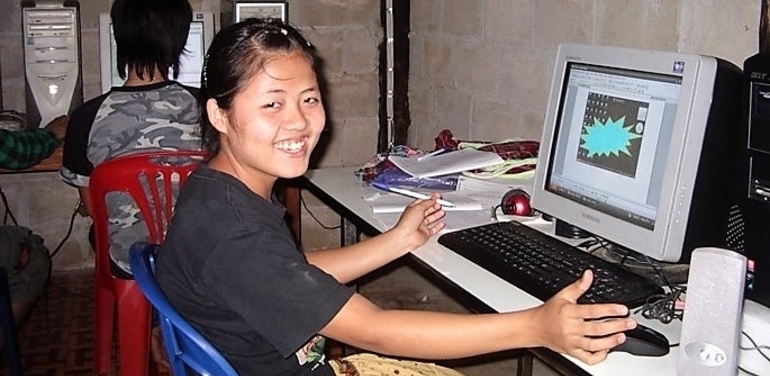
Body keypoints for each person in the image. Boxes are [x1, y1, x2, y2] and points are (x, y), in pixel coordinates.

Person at [156, 19, 636, 376]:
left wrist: (397, 240)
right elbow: (376, 329)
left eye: (309, 98)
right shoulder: (233, 230)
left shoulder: (218, 195)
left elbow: (291, 275)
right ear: (219, 114)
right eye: (272, 103)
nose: (299, 121)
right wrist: (535, 327)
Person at [59, 0, 201, 367]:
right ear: (179, 39)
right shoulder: (208, 109)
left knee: (116, 235)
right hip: (196, 255)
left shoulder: (86, 118)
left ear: (118, 36)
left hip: (128, 260)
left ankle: (148, 332)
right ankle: (171, 335)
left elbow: (94, 209)